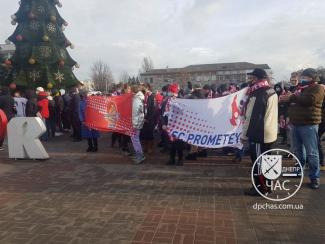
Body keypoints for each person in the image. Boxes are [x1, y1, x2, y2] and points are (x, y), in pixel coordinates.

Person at [282, 68, 325, 189]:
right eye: (302, 77)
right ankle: (298, 171)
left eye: (305, 77)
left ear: (312, 78)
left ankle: (314, 177)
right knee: (299, 151)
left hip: (309, 125)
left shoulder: (318, 88)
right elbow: (293, 101)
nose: (302, 79)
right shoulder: (300, 88)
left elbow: (310, 100)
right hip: (296, 124)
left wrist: (293, 97)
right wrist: (287, 100)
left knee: (312, 152)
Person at [241, 68, 278, 196]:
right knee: (269, 161)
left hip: (259, 133)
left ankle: (260, 188)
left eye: (251, 78)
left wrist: (244, 135)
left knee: (258, 161)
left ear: (256, 79)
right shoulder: (271, 90)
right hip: (270, 132)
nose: (250, 81)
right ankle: (269, 186)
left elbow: (252, 117)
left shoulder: (258, 93)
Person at [162, 83, 184, 166]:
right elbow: (162, 113)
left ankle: (180, 159)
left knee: (179, 144)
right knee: (171, 144)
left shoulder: (181, 101)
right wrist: (163, 124)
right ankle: (172, 159)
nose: (169, 93)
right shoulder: (166, 101)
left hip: (179, 126)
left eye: (171, 92)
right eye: (169, 92)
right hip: (169, 126)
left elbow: (184, 113)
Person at [131, 84, 146, 164]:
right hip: (138, 121)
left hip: (136, 123)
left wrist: (134, 124)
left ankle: (140, 155)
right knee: (135, 139)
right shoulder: (139, 97)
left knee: (135, 139)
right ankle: (139, 154)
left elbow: (135, 112)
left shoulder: (136, 99)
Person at [140, 83, 156, 155]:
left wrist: (148, 118)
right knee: (143, 133)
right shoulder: (142, 96)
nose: (142, 89)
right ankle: (145, 147)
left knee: (150, 134)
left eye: (143, 87)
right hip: (143, 118)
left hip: (150, 118)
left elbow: (154, 109)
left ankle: (150, 148)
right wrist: (142, 117)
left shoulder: (152, 96)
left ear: (147, 88)